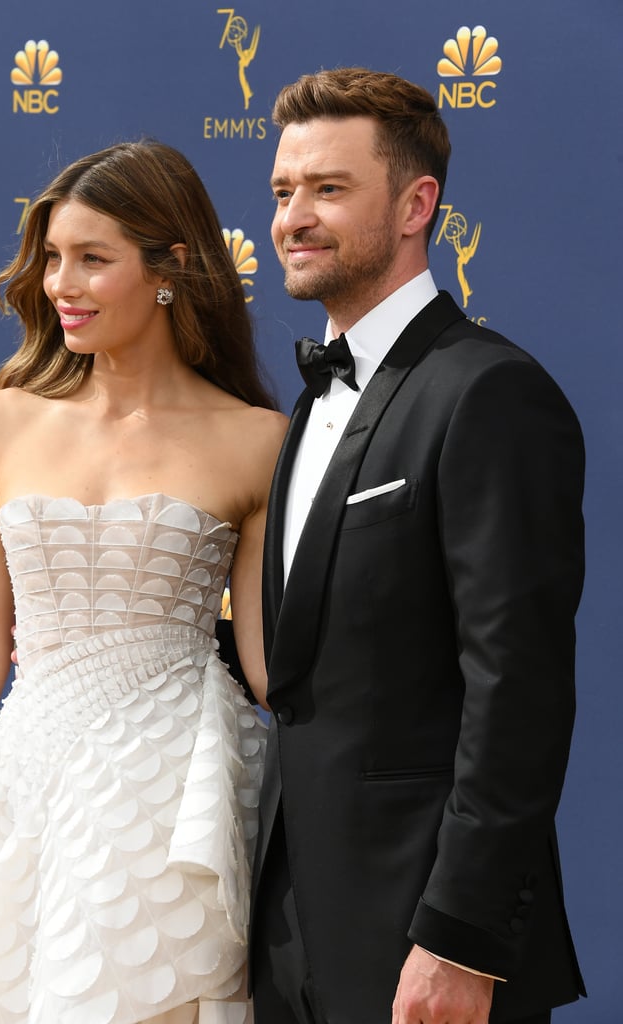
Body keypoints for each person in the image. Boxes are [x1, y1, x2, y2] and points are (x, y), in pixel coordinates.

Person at [0, 139, 286, 1023]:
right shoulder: (1, 422)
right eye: (50, 257)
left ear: (172, 270)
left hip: (168, 790)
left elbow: (274, 669)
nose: (59, 285)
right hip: (23, 773)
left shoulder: (256, 440)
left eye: (92, 259)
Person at [249, 68, 586, 1024]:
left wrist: (458, 937)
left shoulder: (488, 393)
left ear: (415, 205)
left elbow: (515, 688)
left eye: (327, 190)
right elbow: (317, 658)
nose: (292, 218)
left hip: (424, 944)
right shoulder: (311, 399)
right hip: (289, 934)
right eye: (282, 192)